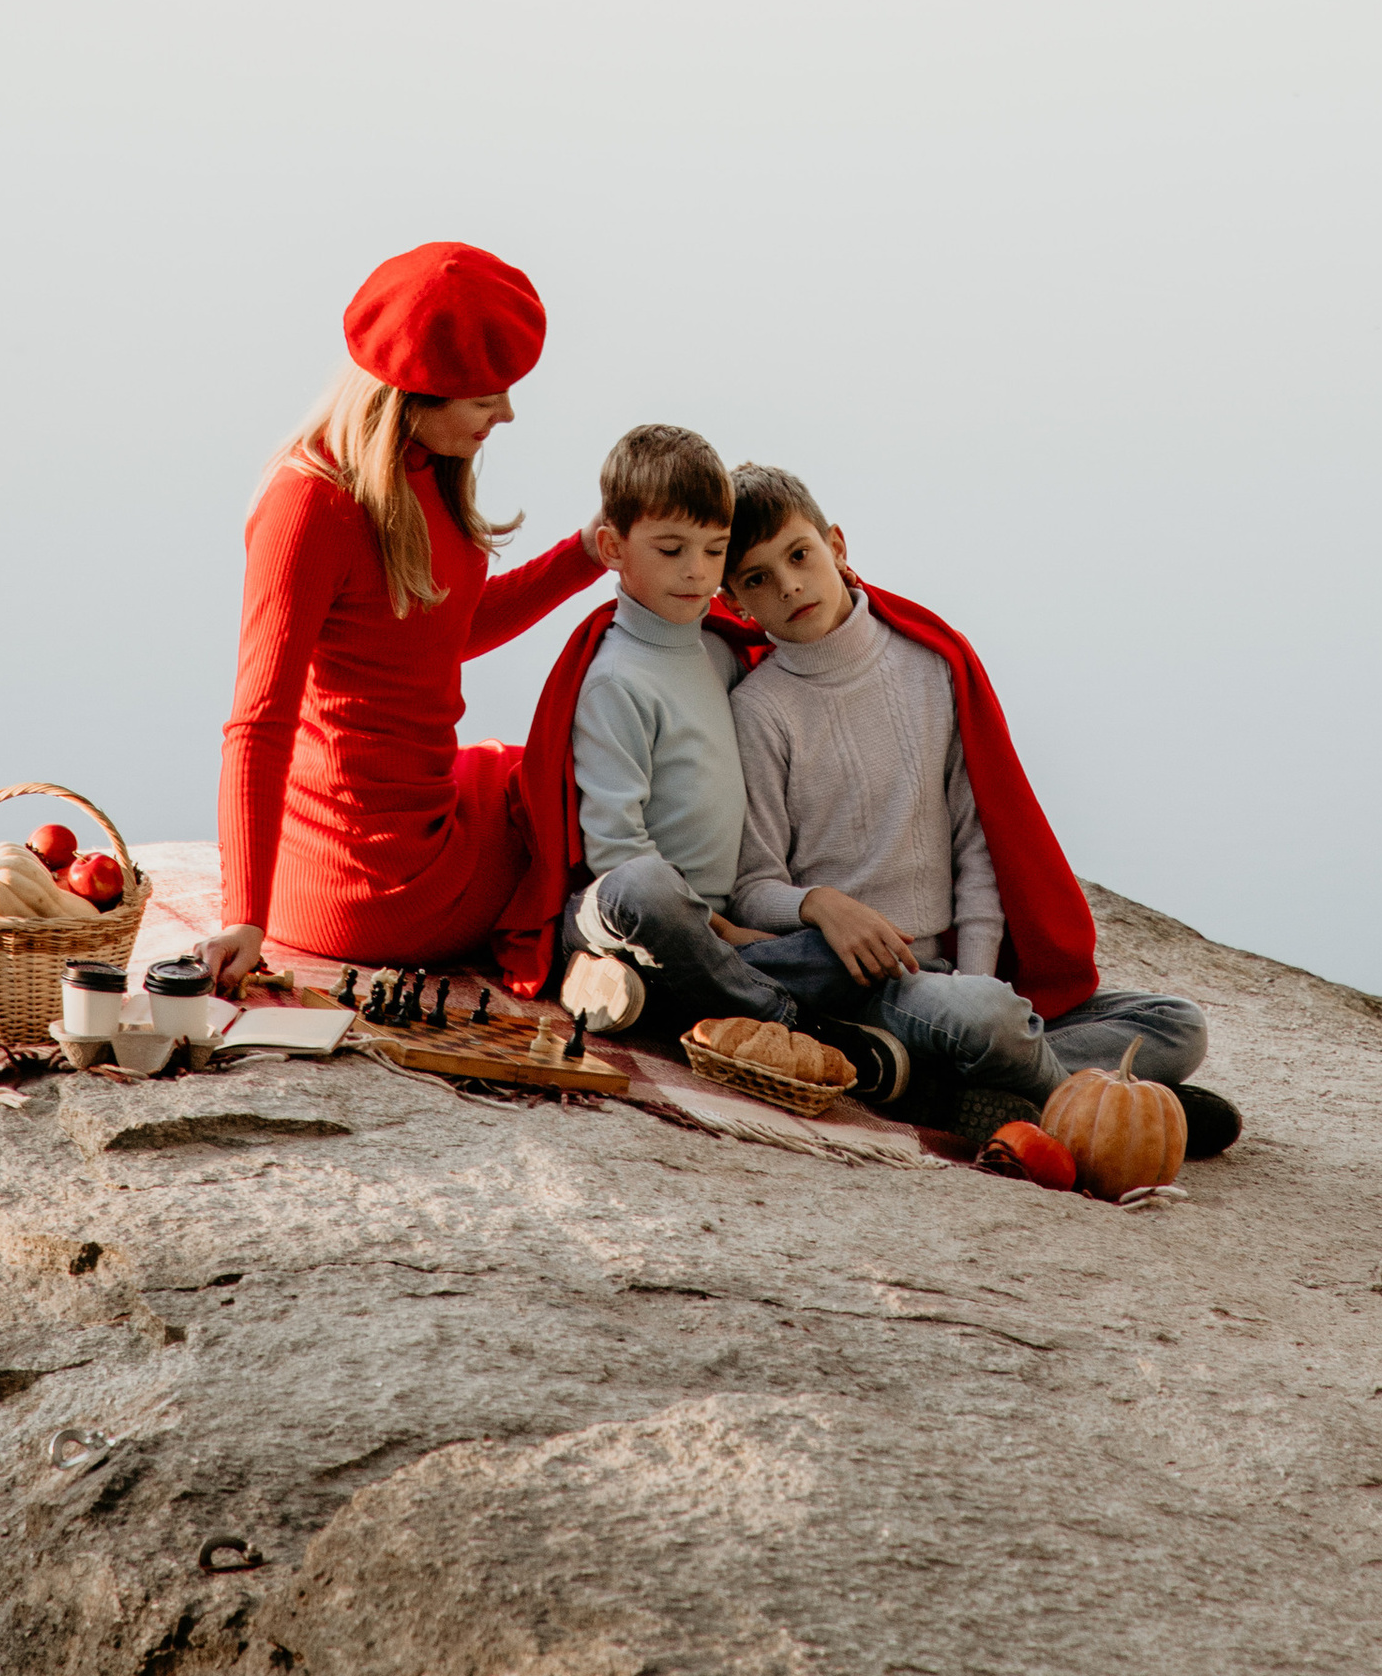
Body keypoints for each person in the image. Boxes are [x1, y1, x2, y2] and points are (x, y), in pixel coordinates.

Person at [720, 462, 1241, 1151]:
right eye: (757, 578)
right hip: (876, 984)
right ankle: (1085, 1106)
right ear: (735, 603)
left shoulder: (928, 665)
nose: (788, 585)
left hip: (961, 982)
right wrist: (819, 904)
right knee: (988, 1020)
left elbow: (979, 844)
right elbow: (752, 889)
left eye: (798, 555)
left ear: (837, 547)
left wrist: (975, 976)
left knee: (1178, 1025)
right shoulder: (760, 712)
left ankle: (977, 1088)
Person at [200, 242, 600, 994]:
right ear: (414, 396)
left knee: (528, 771)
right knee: (578, 786)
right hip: (379, 888)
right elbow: (258, 721)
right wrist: (243, 916)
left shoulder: (423, 468)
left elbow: (438, 636)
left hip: (380, 843)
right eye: (487, 398)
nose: (507, 414)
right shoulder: (309, 504)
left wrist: (586, 552)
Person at [530, 423, 809, 1038]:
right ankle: (783, 1017)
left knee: (842, 953)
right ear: (612, 548)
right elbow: (614, 849)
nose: (697, 573)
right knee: (648, 888)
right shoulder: (615, 679)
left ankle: (670, 993)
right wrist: (721, 933)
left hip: (718, 922)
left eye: (715, 551)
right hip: (630, 911)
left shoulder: (721, 655)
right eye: (671, 549)